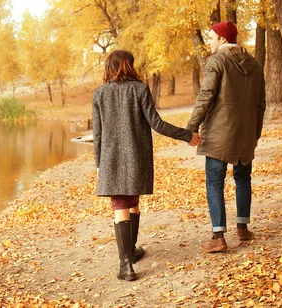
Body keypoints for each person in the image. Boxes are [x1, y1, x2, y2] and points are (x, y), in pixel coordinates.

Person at [93, 50, 200, 281]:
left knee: (122, 203)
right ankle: (128, 258)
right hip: (136, 157)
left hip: (110, 158)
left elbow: (97, 133)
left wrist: (98, 163)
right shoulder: (139, 89)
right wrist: (186, 135)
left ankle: (127, 262)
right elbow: (157, 124)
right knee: (131, 200)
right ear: (128, 66)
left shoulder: (99, 93)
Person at [186, 21, 266, 253]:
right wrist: (256, 133)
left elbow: (206, 96)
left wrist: (192, 127)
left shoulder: (217, 61)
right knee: (243, 178)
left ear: (222, 39)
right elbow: (261, 104)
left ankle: (218, 236)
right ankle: (242, 228)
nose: (209, 42)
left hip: (219, 133)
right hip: (246, 132)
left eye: (211, 37)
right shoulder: (255, 64)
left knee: (214, 181)